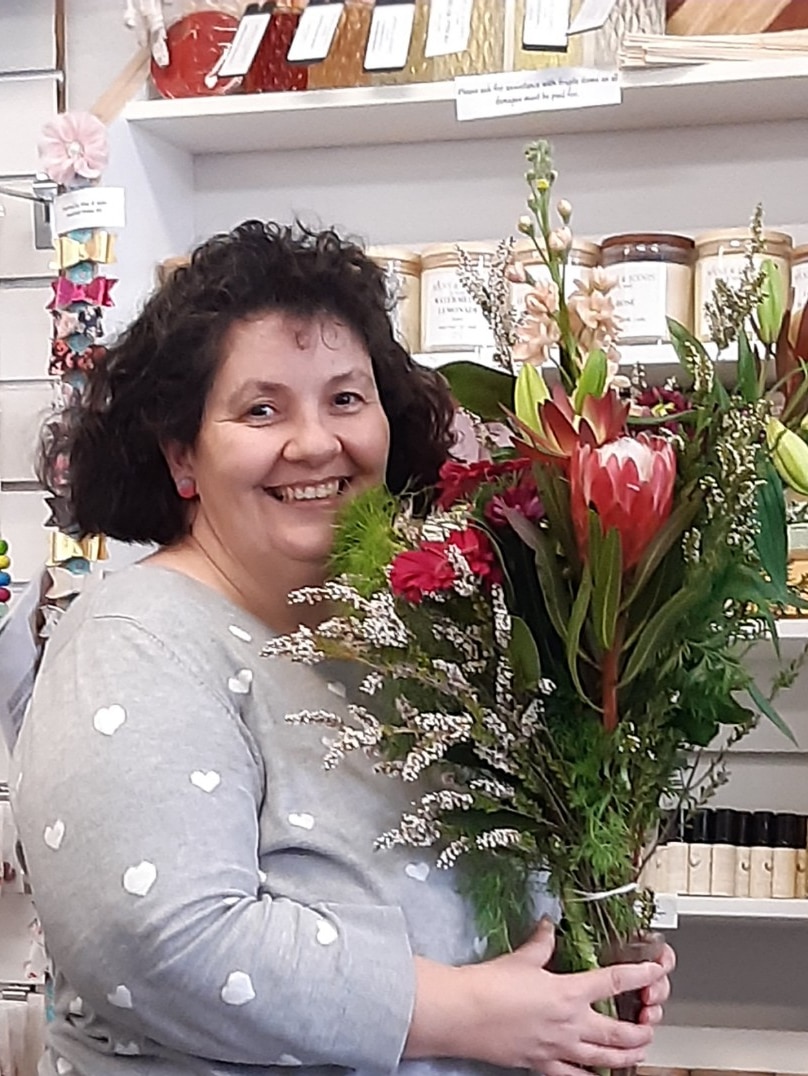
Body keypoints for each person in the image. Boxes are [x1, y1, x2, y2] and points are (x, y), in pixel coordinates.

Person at [12, 221, 674, 1076]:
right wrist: (469, 1013)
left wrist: (581, 967)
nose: (318, 443)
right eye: (261, 409)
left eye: (346, 399)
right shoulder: (135, 644)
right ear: (182, 454)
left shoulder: (398, 631)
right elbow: (155, 936)